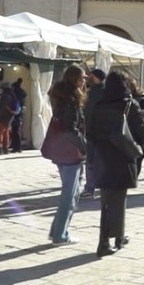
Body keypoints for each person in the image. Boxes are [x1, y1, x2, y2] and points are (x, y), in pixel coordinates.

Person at [88, 71, 144, 256]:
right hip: (122, 157)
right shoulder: (130, 105)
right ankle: (107, 242)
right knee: (119, 200)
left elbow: (90, 133)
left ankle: (111, 238)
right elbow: (142, 133)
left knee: (106, 201)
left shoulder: (99, 106)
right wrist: (135, 148)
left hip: (102, 157)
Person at [46, 64, 86, 244]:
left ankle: (57, 230)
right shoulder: (70, 100)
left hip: (62, 150)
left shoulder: (61, 97)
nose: (84, 81)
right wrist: (85, 147)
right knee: (70, 194)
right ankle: (60, 234)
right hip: (70, 152)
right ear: (74, 79)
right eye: (82, 78)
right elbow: (71, 128)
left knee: (72, 192)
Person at [81, 68, 106, 198]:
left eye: (91, 76)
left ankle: (90, 188)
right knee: (98, 161)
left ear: (96, 77)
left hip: (95, 131)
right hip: (100, 132)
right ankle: (99, 188)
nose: (88, 78)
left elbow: (89, 111)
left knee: (91, 161)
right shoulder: (104, 91)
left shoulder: (97, 92)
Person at [0, 82, 21, 155]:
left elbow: (2, 107)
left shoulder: (5, 96)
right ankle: (5, 148)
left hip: (4, 116)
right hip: (10, 116)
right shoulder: (13, 95)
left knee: (0, 132)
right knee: (6, 132)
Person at [10, 78, 27, 153]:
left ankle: (16, 147)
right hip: (20, 114)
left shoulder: (15, 94)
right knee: (17, 130)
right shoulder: (23, 93)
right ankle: (18, 147)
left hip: (16, 113)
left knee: (15, 131)